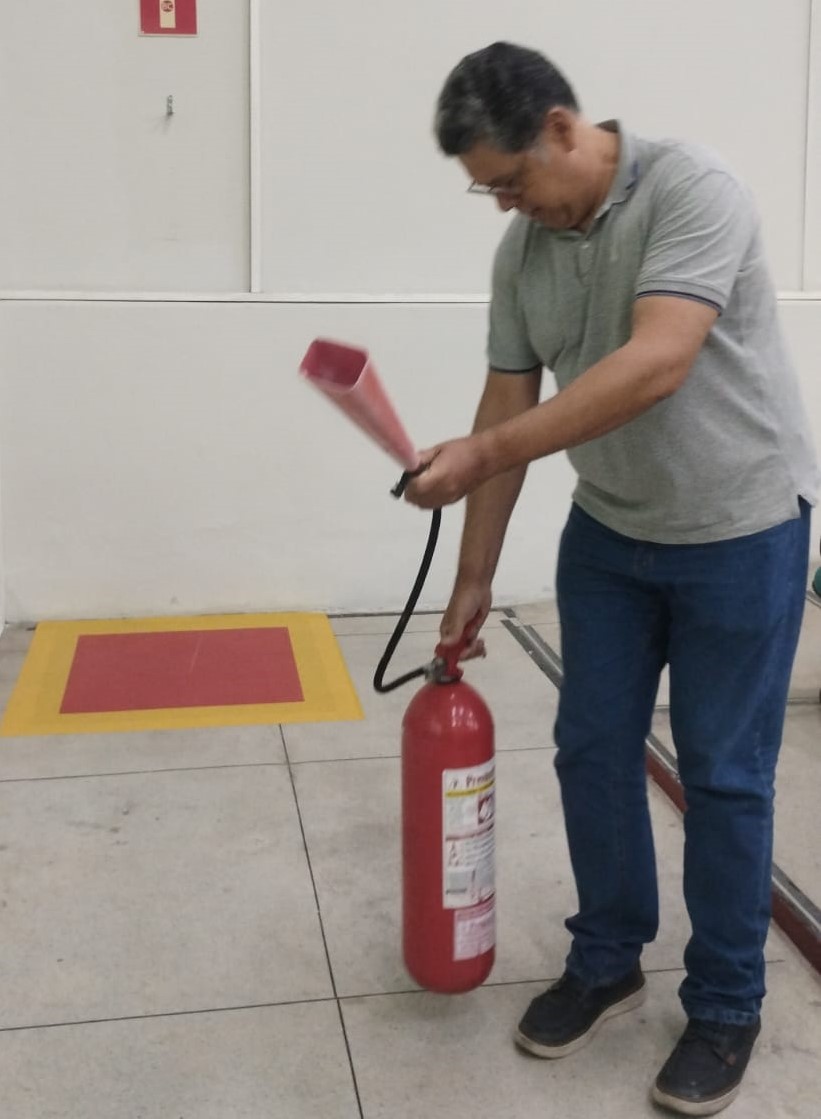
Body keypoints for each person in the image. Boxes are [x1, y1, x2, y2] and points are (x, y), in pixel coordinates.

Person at [404, 41, 818, 1117]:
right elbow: (502, 411)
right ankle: (606, 956)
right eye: (481, 190)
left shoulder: (692, 190)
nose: (502, 204)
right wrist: (472, 578)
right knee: (590, 749)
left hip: (737, 529)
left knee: (724, 776)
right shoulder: (525, 254)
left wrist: (484, 457)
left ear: (559, 128)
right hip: (610, 536)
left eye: (507, 179)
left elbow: (655, 361)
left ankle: (725, 1003)